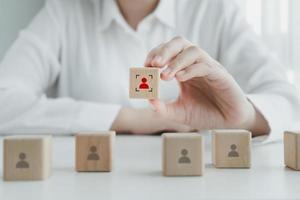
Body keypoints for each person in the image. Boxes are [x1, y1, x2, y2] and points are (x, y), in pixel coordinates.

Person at [0, 0, 299, 142]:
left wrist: (243, 116)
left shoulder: (214, 10)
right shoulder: (63, 12)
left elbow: (290, 104)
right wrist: (133, 119)